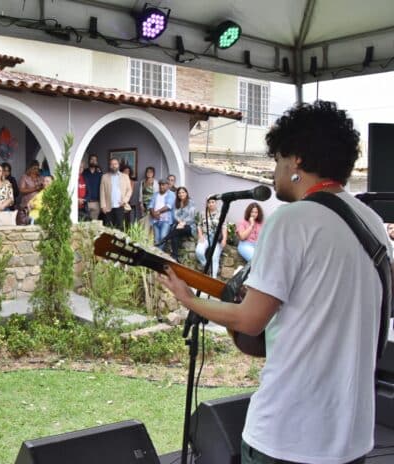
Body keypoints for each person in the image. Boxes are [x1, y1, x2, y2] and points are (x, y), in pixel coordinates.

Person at [160, 101, 390, 464]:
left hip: (289, 435)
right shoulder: (372, 223)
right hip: (352, 436)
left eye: (277, 159)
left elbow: (251, 320)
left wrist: (189, 299)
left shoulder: (292, 220)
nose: (274, 171)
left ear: (296, 160)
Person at [195, 197, 227, 278]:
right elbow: (199, 225)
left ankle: (213, 277)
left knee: (214, 257)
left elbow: (224, 227)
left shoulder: (221, 214)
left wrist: (224, 239)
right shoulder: (203, 213)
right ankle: (206, 266)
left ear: (216, 203)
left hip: (217, 239)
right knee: (199, 251)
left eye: (213, 202)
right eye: (209, 202)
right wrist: (200, 235)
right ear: (207, 204)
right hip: (205, 236)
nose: (211, 204)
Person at [161, 186, 195, 261]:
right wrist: (180, 222)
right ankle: (175, 256)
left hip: (189, 226)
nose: (181, 194)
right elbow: (175, 215)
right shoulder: (176, 203)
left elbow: (191, 217)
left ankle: (165, 239)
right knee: (175, 236)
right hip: (179, 226)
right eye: (179, 193)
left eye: (183, 192)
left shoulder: (191, 202)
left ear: (186, 193)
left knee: (178, 229)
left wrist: (183, 223)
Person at [99, 157, 132, 231]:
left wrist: (124, 201)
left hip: (120, 206)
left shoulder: (125, 176)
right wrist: (102, 206)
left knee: (120, 229)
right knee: (108, 229)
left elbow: (129, 190)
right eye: (112, 164)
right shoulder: (104, 177)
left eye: (115, 164)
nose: (114, 165)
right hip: (108, 208)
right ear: (109, 166)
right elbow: (102, 192)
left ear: (118, 165)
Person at [148, 179, 175, 250]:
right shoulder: (155, 194)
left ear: (167, 186)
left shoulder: (171, 194)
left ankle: (158, 254)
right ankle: (158, 255)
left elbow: (169, 206)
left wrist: (157, 212)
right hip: (155, 220)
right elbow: (150, 205)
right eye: (160, 185)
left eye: (163, 185)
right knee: (156, 239)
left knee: (163, 237)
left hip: (166, 220)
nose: (161, 186)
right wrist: (153, 214)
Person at [82, 154, 102, 221]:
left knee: (94, 224)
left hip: (96, 202)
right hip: (85, 203)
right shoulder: (83, 172)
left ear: (97, 162)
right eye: (92, 159)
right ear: (89, 161)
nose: (93, 161)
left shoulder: (100, 174)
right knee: (84, 222)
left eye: (95, 160)